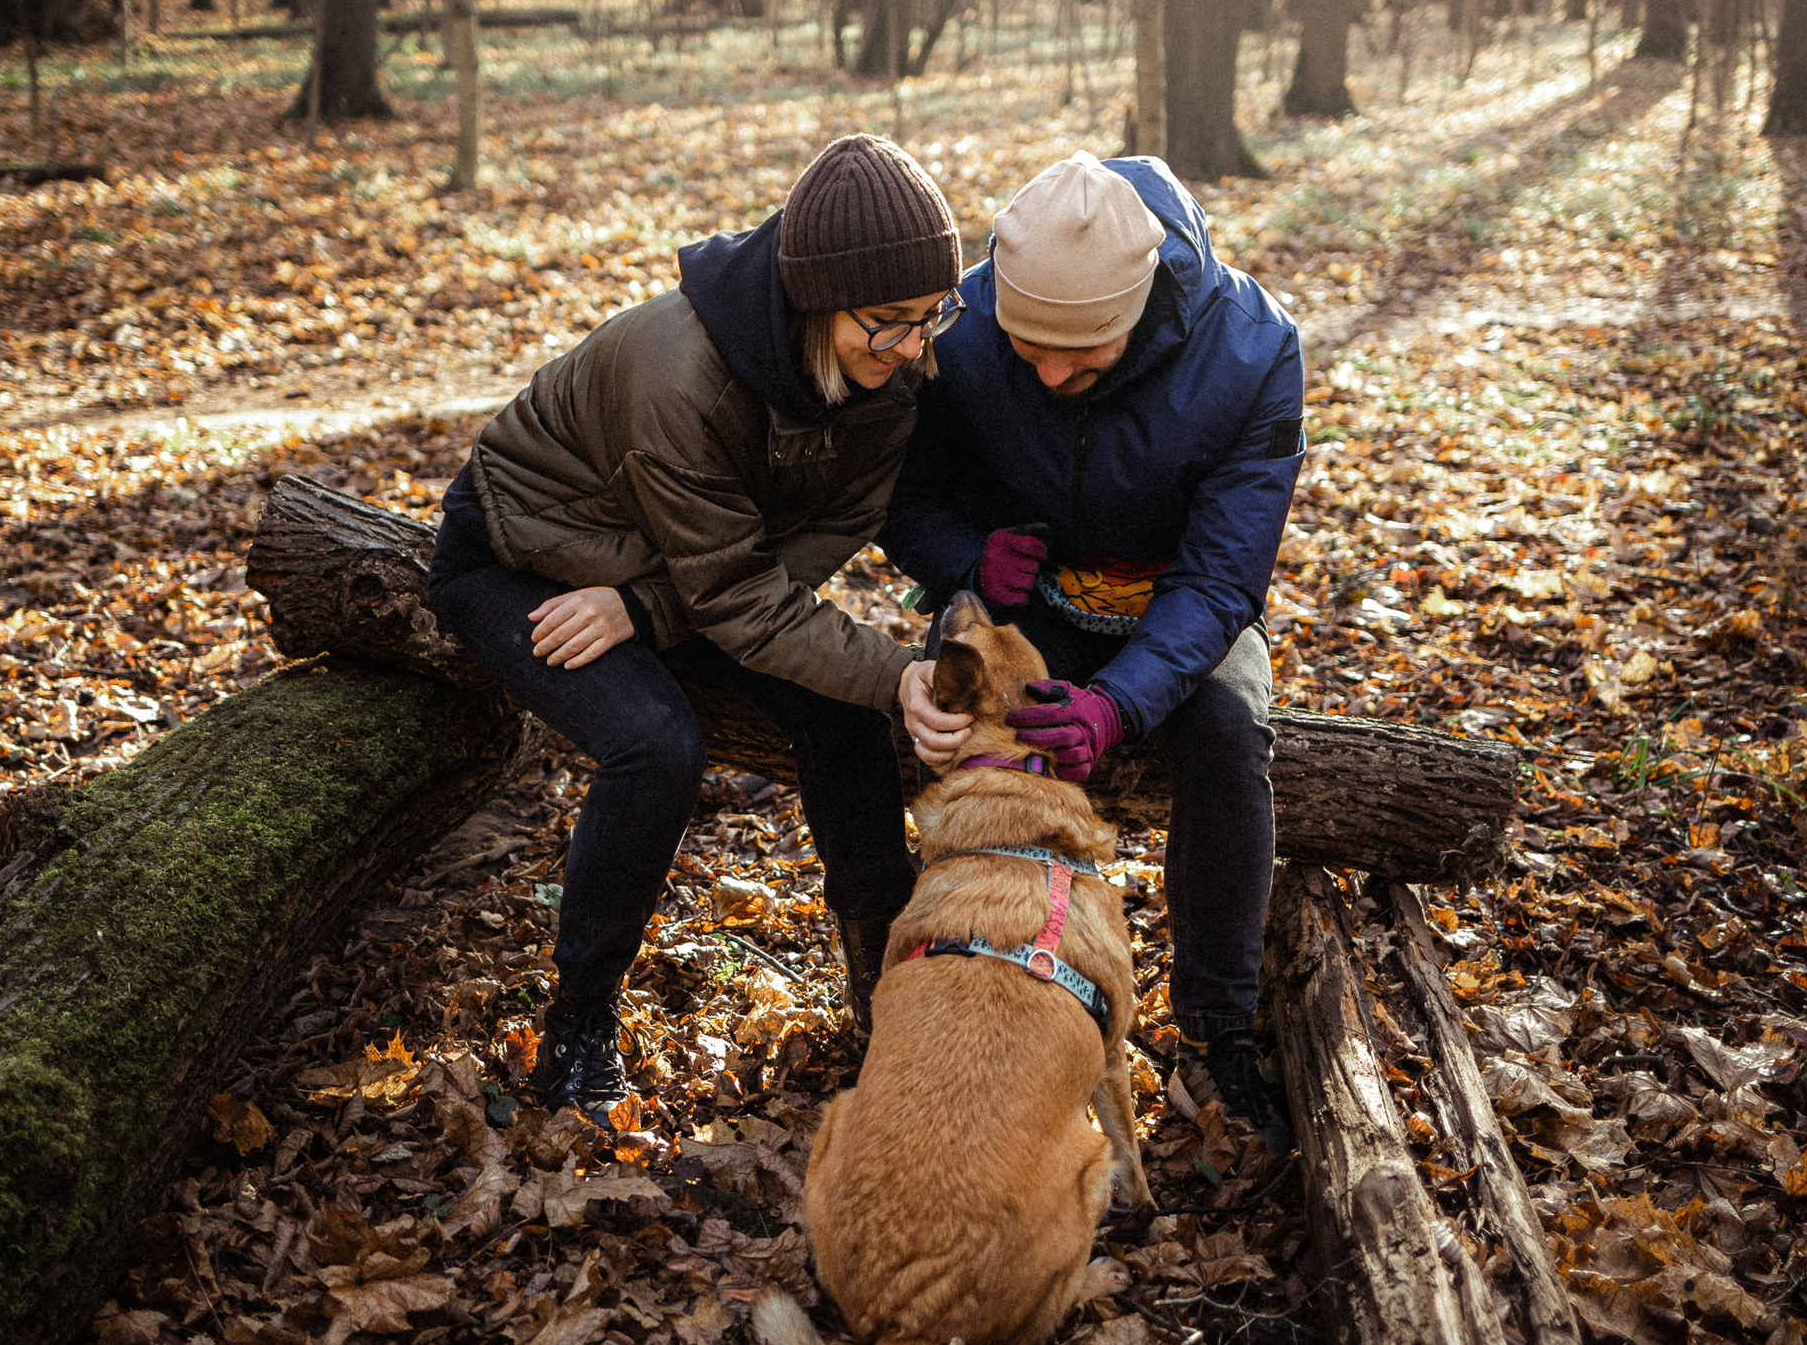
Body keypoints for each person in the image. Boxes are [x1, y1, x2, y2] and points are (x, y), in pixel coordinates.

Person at [426, 133, 964, 1119]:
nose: (916, 348)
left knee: (846, 723)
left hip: (665, 577)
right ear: (814, 297)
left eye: (934, 317)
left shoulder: (895, 368)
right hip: (521, 558)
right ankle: (578, 1029)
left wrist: (643, 609)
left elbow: (829, 530)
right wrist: (897, 671)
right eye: (888, 324)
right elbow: (741, 602)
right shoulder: (685, 373)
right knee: (654, 744)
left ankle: (887, 996)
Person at [884, 150, 1305, 1148]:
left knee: (1230, 740)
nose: (1051, 374)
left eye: (1083, 355)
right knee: (929, 715)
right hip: (1019, 595)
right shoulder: (961, 325)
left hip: (1177, 603)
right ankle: (912, 987)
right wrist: (968, 558)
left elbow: (1221, 579)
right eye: (1028, 349)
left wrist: (1118, 704)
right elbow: (900, 493)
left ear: (1145, 304)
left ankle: (1215, 1039)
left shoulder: (1252, 349)